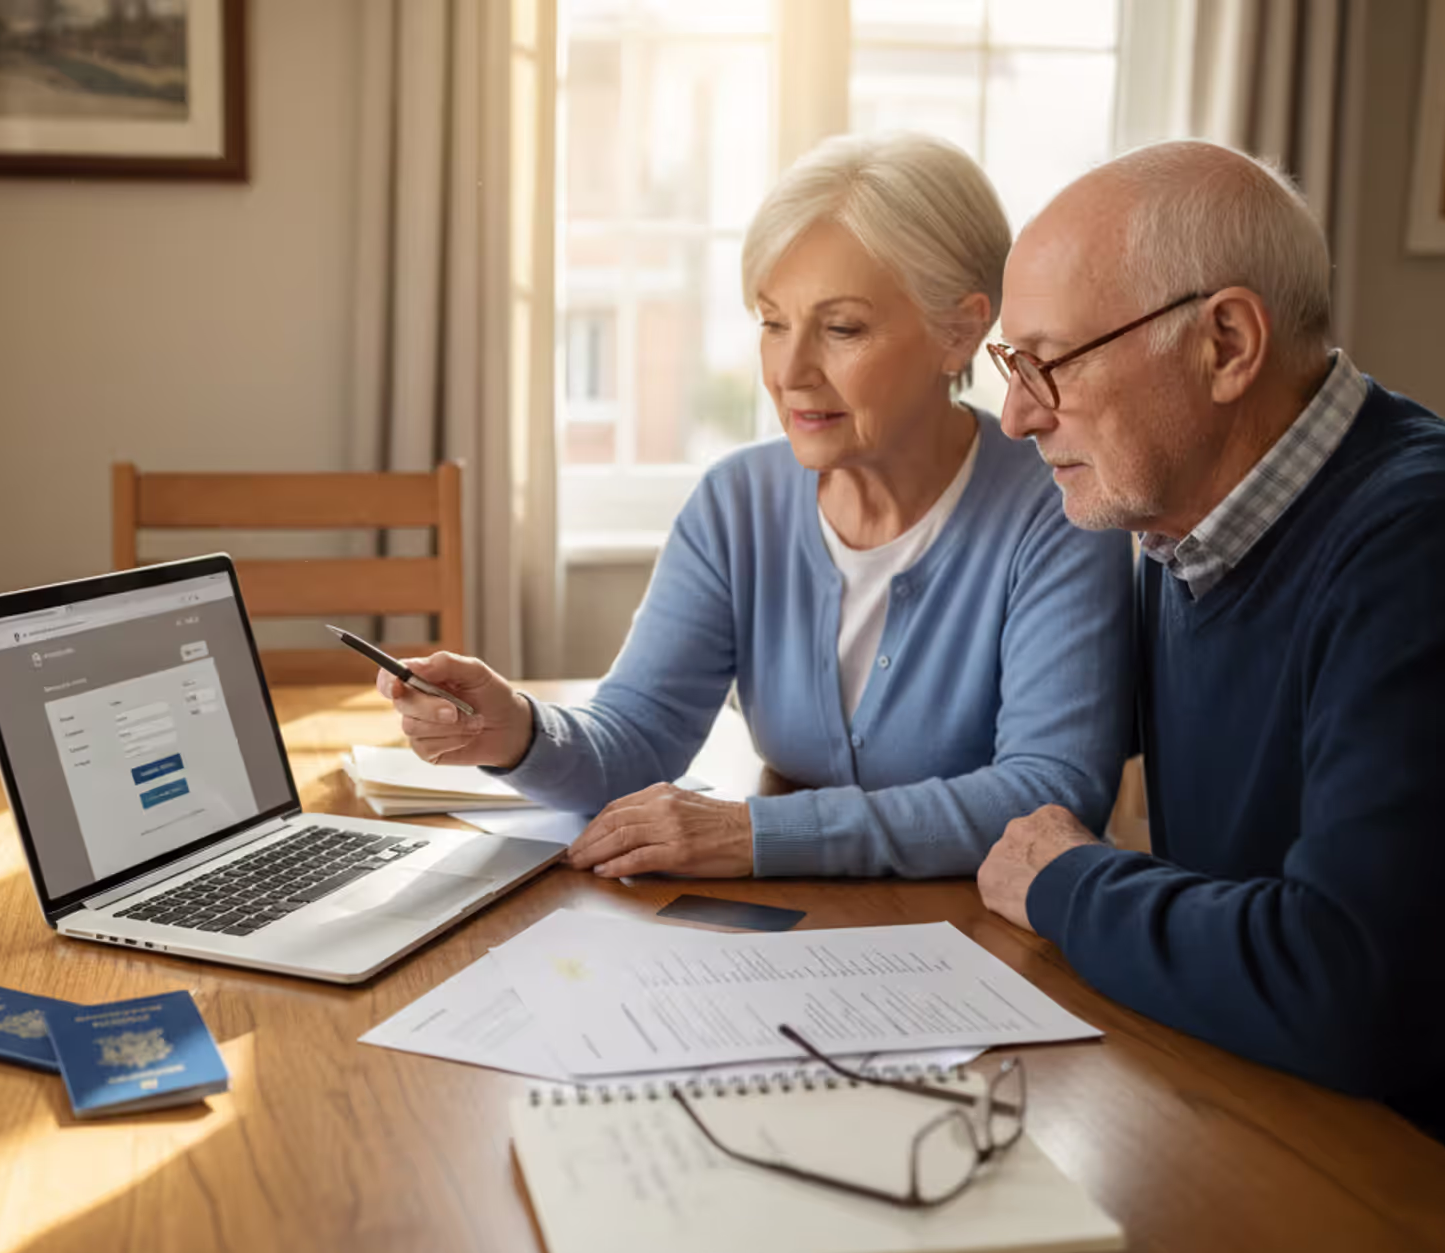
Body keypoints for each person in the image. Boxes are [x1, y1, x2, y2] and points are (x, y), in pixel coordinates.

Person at [378, 132, 1134, 880]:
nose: (790, 370)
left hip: (982, 953)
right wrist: (516, 730)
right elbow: (635, 743)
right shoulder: (737, 503)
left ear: (961, 330)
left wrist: (756, 835)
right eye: (773, 322)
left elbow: (1052, 794)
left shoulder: (1058, 506)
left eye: (841, 328)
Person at [978, 140, 1445, 1157]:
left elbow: (1348, 984)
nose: (1019, 414)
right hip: (1266, 1107)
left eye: (1048, 362)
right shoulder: (1174, 524)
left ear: (1228, 343)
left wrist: (1069, 881)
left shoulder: (1428, 538)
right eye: (1009, 366)